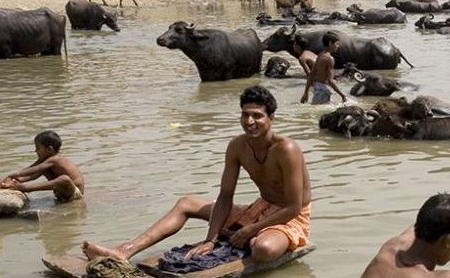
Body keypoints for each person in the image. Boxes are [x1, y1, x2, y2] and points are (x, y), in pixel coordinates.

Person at [82, 86, 311, 263]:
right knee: (186, 203)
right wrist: (210, 239)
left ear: (271, 118)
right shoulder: (237, 146)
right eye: (244, 115)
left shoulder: (286, 150)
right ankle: (124, 251)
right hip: (260, 207)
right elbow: (225, 195)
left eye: (257, 116)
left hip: (289, 216)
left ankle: (254, 238)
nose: (249, 122)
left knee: (263, 249)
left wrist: (250, 230)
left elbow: (294, 207)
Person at [0, 131, 85, 203]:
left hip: (74, 192)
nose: (35, 150)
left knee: (64, 178)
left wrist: (15, 174)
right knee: (43, 169)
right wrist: (15, 179)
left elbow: (35, 169)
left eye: (38, 148)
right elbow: (32, 170)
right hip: (61, 192)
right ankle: (18, 185)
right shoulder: (45, 160)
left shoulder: (56, 159)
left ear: (49, 149)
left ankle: (27, 188)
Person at [301, 32, 348, 105]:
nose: (338, 46)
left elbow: (311, 74)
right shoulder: (330, 59)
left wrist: (306, 93)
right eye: (336, 43)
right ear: (330, 43)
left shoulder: (320, 55)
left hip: (318, 87)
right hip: (324, 89)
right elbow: (330, 81)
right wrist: (342, 95)